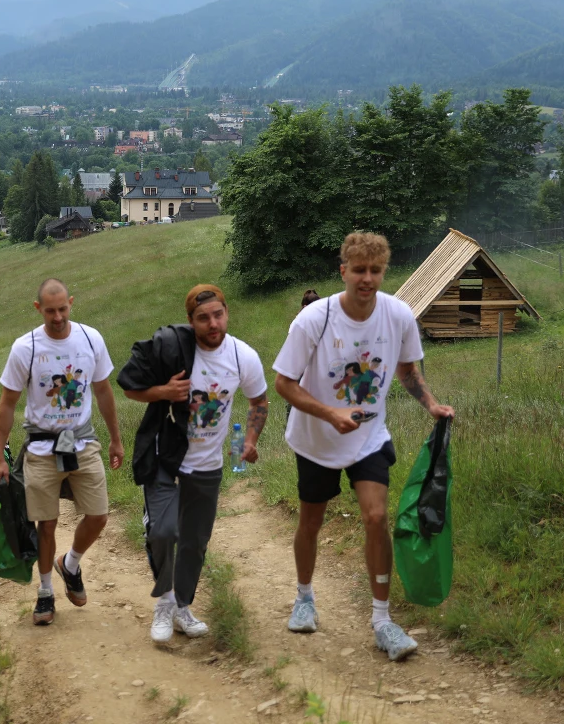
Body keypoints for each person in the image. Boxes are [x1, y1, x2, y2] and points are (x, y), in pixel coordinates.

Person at [273, 232, 454, 662]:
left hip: (368, 436)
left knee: (376, 516)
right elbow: (283, 383)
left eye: (375, 271)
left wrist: (431, 404)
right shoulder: (314, 319)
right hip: (316, 438)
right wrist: (329, 414)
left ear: (383, 272)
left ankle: (382, 620)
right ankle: (304, 597)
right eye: (359, 270)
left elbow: (407, 369)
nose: (367, 279)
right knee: (311, 521)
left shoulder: (398, 315)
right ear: (344, 272)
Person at [118, 284, 269, 643]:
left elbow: (259, 402)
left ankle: (182, 607)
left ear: (227, 313)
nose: (213, 323)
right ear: (191, 321)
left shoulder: (242, 357)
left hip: (207, 463)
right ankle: (164, 604)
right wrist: (164, 393)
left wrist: (249, 441)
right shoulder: (173, 350)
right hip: (164, 456)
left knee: (195, 542)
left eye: (218, 314)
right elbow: (129, 387)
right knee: (165, 532)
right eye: (203, 318)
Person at [0, 278, 125, 626]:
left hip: (82, 441)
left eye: (62, 308)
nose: (57, 317)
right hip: (41, 447)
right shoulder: (26, 347)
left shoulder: (90, 338)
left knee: (98, 516)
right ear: (38, 309)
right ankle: (46, 593)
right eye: (49, 311)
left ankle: (71, 563)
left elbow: (103, 391)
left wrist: (115, 438)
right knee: (46, 524)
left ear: (71, 302)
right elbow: (7, 404)